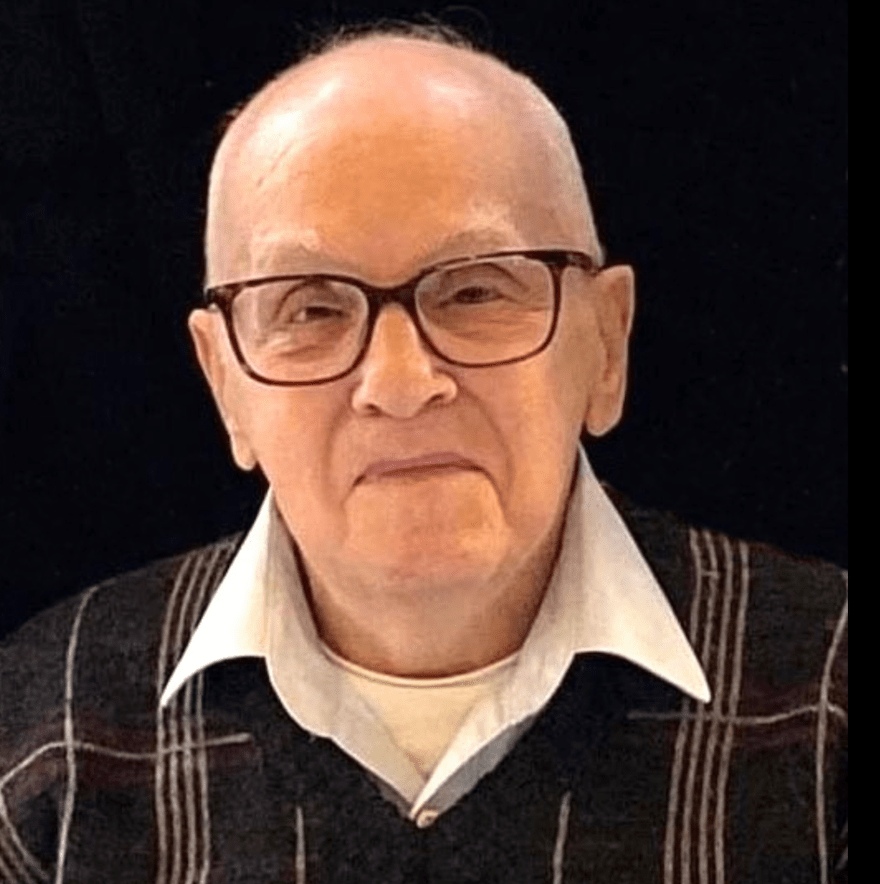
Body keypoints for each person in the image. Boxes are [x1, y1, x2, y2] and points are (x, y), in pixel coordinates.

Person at [0, 26, 846, 884]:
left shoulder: (828, 696)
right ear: (226, 384)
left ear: (606, 344)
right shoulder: (42, 731)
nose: (400, 383)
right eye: (310, 309)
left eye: (475, 290)